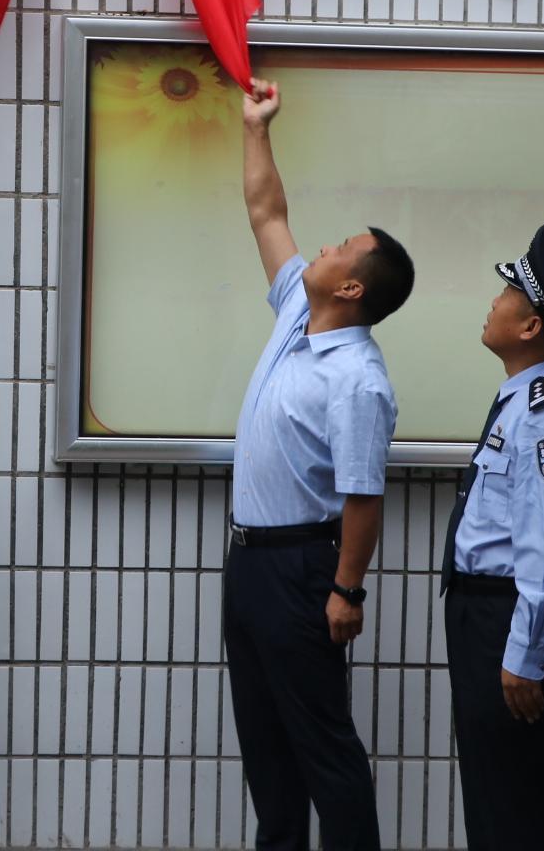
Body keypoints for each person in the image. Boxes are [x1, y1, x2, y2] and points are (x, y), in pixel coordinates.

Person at [224, 78, 411, 850]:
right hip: (250, 563)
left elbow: (364, 497)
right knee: (267, 751)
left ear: (353, 286)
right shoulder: (301, 310)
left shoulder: (359, 379)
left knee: (324, 747)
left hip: (306, 570)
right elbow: (267, 210)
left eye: (339, 249)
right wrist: (257, 128)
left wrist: (346, 590)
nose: (322, 247)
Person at [441, 223, 544, 851]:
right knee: (496, 796)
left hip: (507, 619)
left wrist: (525, 656)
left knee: (522, 804)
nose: (494, 300)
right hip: (486, 617)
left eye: (508, 290)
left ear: (531, 325)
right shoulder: (526, 400)